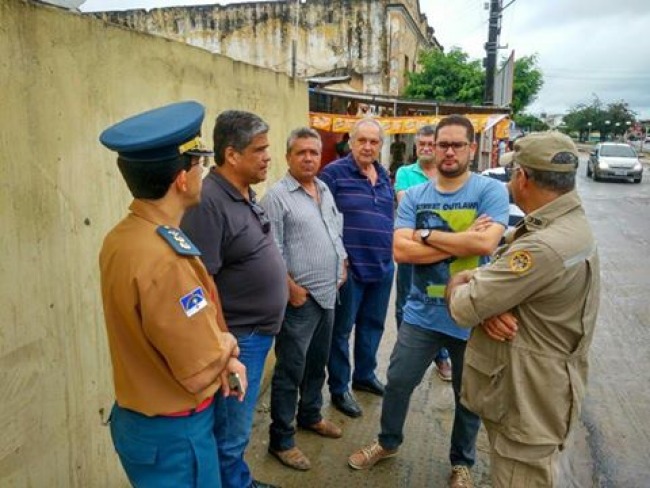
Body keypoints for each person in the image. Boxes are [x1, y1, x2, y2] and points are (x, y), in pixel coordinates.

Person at [347, 114, 510, 488]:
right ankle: (388, 442)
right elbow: (400, 252)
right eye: (442, 144)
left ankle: (461, 462)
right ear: (433, 147)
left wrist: (425, 234)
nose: (448, 151)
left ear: (472, 148)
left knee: (467, 396)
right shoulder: (417, 195)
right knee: (399, 381)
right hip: (421, 312)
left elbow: (485, 244)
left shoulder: (490, 192)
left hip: (471, 313)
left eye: (456, 144)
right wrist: (460, 236)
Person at [98, 101, 247, 487]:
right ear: (181, 179)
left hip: (142, 425)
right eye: (199, 162)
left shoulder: (126, 235)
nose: (204, 171)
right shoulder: (164, 260)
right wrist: (229, 346)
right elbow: (199, 369)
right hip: (175, 439)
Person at [446, 131, 600, 487]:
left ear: (522, 177)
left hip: (527, 398)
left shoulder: (544, 246)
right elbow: (521, 290)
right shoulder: (566, 225)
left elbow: (463, 307)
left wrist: (462, 280)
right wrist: (492, 299)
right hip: (540, 388)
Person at [181, 110, 287, 488]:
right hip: (239, 340)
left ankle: (239, 479)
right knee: (231, 433)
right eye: (259, 150)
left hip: (256, 335)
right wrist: (226, 349)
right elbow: (202, 282)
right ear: (231, 155)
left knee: (235, 430)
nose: (267, 157)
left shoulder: (242, 192)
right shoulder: (208, 203)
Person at [260, 127, 348, 471]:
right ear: (288, 157)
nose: (309, 158)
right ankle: (281, 440)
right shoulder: (277, 197)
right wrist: (290, 289)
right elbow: (271, 251)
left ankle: (310, 415)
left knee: (317, 364)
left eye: (314, 152)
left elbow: (334, 228)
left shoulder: (324, 189)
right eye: (302, 153)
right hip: (300, 300)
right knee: (290, 371)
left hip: (329, 294)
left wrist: (341, 260)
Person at [319, 117, 395, 418]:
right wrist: (339, 261)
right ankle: (339, 388)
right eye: (361, 140)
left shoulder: (384, 174)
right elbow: (324, 219)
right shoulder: (334, 174)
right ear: (351, 143)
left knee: (373, 325)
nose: (367, 147)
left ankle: (364, 375)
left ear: (380, 145)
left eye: (373, 142)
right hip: (350, 268)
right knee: (341, 331)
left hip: (383, 265)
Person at [393, 124, 453, 382]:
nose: (426, 148)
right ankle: (409, 350)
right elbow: (406, 203)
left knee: (440, 297)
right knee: (406, 300)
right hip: (413, 252)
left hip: (443, 256)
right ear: (416, 147)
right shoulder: (405, 172)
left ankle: (441, 356)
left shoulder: (447, 174)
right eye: (422, 144)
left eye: (431, 144)